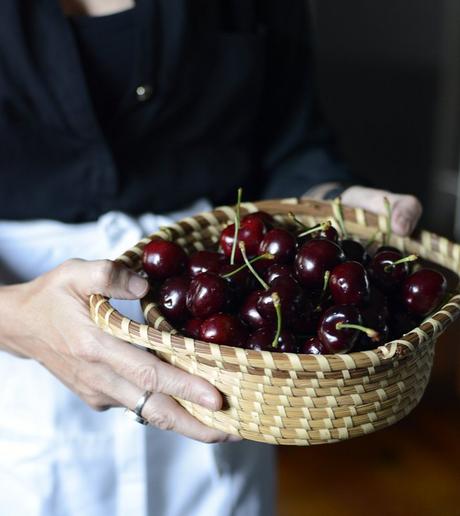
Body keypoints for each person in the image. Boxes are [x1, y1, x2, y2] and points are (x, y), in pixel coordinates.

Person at [0, 1, 422, 515]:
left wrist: (329, 204)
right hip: (24, 346)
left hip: (231, 324)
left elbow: (291, 144)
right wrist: (12, 314)